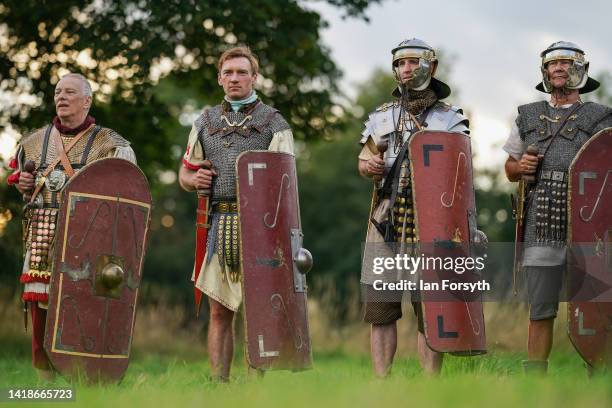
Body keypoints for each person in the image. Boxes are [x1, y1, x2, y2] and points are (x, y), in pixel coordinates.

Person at [7, 73, 136, 380]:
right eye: (57, 92)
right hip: (43, 230)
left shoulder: (111, 144)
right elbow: (25, 185)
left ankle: (84, 379)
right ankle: (46, 386)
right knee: (40, 310)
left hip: (88, 236)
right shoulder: (33, 141)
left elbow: (127, 190)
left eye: (69, 92)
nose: (61, 97)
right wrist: (24, 185)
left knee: (83, 308)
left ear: (87, 100)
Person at [178, 46, 294, 382]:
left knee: (259, 312)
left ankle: (255, 389)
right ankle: (219, 386)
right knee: (219, 311)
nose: (234, 78)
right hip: (219, 224)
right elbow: (185, 173)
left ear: (254, 77)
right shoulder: (205, 123)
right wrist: (194, 179)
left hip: (260, 227)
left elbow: (286, 183)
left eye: (242, 72)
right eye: (228, 72)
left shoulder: (274, 123)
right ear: (219, 78)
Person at [358, 38, 470, 377]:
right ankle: (381, 381)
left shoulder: (450, 119)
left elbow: (462, 176)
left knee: (431, 307)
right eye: (400, 64)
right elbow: (364, 160)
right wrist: (370, 166)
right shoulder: (381, 117)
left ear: (430, 67)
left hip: (432, 221)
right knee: (381, 308)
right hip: (386, 219)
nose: (406, 69)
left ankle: (429, 384)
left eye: (413, 62)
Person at [503, 41, 612, 374]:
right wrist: (520, 168)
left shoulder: (600, 117)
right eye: (553, 64)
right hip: (542, 222)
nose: (559, 68)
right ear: (545, 72)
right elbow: (509, 167)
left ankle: (601, 372)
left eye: (566, 63)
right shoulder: (527, 116)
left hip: (587, 223)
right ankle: (535, 378)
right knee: (541, 308)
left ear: (580, 70)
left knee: (597, 305)